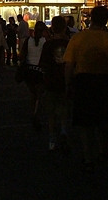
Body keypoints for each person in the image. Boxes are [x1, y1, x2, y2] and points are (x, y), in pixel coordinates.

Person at [64, 5, 108, 172]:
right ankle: (103, 150)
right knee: (104, 120)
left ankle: (88, 156)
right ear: (107, 20)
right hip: (104, 80)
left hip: (83, 81)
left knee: (84, 122)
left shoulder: (79, 38)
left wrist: (68, 84)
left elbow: (68, 64)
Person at [39, 15, 70, 152]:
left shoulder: (48, 45)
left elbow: (43, 65)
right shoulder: (70, 43)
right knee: (64, 107)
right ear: (64, 27)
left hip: (50, 80)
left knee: (51, 111)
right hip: (65, 80)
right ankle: (64, 130)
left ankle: (52, 137)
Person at [20, 20, 48, 130]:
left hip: (29, 70)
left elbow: (22, 55)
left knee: (32, 94)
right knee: (39, 94)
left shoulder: (28, 40)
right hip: (40, 70)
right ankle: (36, 113)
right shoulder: (45, 41)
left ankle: (33, 112)